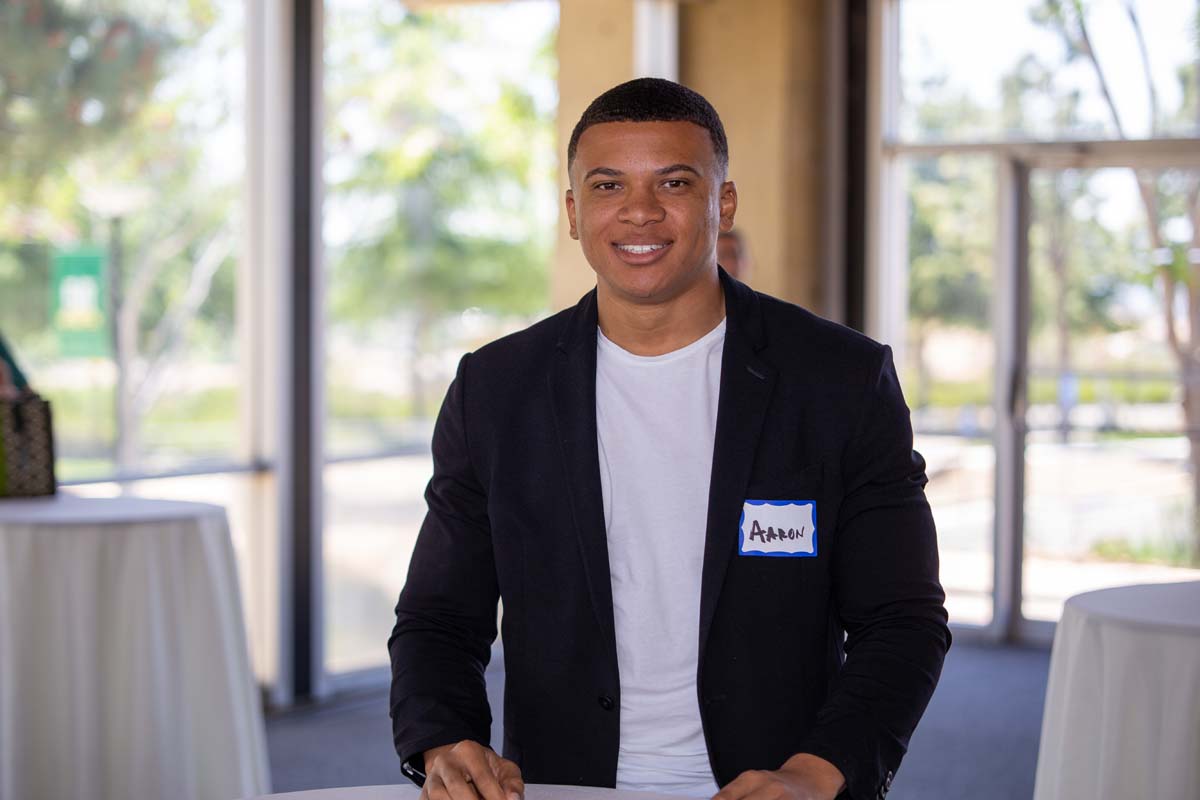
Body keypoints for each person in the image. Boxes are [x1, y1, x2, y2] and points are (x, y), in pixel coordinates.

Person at [389, 78, 949, 800]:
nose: (640, 211)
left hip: (772, 785)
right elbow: (438, 617)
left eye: (674, 182)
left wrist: (816, 774)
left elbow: (901, 620)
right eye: (607, 184)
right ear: (573, 211)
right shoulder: (497, 389)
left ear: (724, 202)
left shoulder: (839, 381)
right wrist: (444, 737)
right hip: (559, 787)